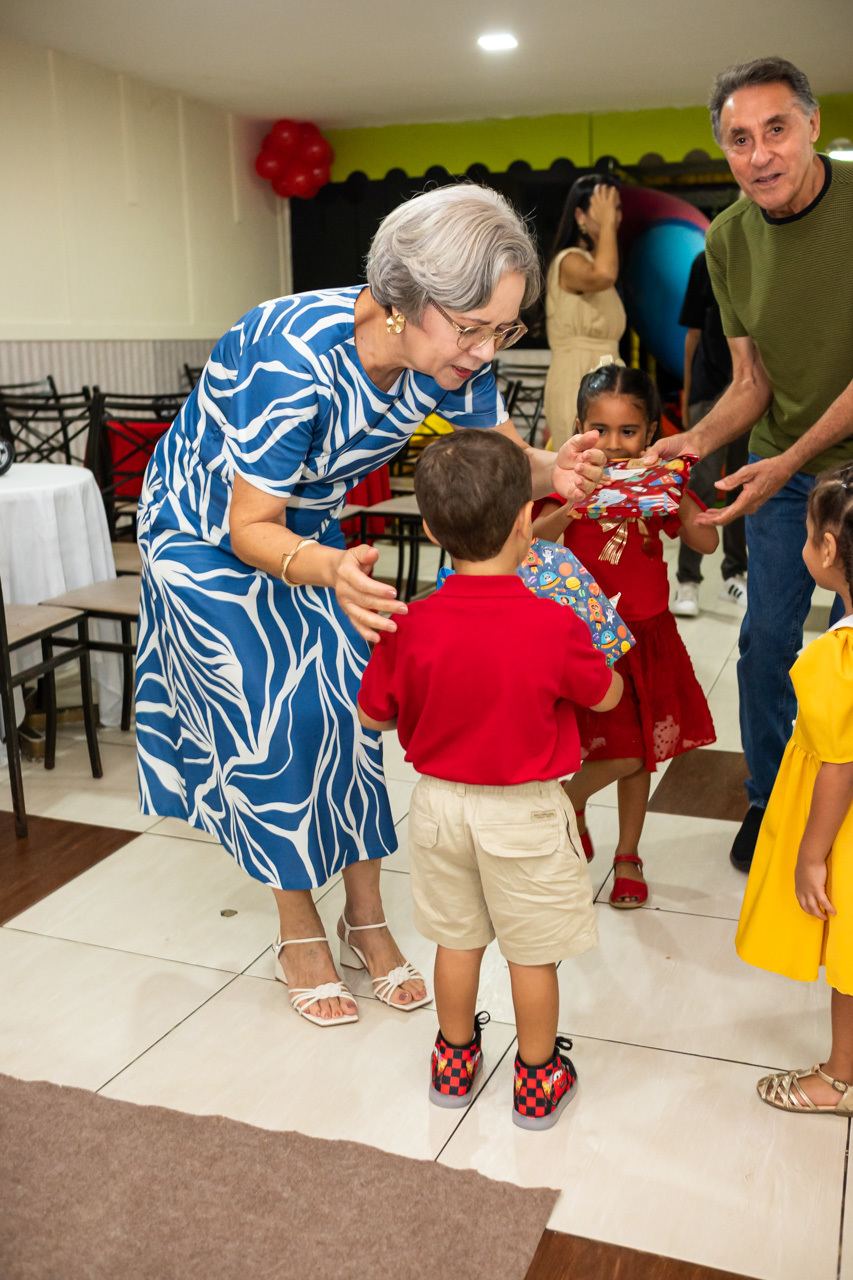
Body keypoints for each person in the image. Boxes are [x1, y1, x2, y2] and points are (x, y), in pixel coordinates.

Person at [135, 183, 605, 1029]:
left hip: (310, 530)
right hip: (207, 535)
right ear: (401, 304)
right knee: (279, 720)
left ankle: (366, 918)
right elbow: (248, 526)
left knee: (355, 712)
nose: (486, 349)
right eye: (472, 328)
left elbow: (495, 459)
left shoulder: (453, 358)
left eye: (504, 328)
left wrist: (553, 470)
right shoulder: (292, 352)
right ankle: (296, 925)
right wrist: (328, 572)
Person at [358, 430, 621, 1130]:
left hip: (437, 808)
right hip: (526, 814)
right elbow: (606, 697)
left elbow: (373, 714)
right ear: (524, 520)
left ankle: (452, 1059)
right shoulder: (551, 622)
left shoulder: (405, 624)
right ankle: (535, 1081)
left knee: (457, 940)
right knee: (532, 956)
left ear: (432, 529)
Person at [644, 57, 853, 872]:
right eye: (738, 138)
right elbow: (751, 383)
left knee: (848, 644)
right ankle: (769, 798)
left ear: (809, 127)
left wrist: (790, 460)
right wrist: (690, 442)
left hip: (837, 465)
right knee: (766, 642)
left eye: (774, 130)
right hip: (780, 466)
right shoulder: (726, 238)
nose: (759, 153)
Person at [533, 365, 717, 907]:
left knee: (639, 755)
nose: (614, 446)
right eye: (600, 430)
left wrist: (674, 492)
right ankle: (574, 802)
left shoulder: (654, 490)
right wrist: (572, 503)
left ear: (650, 432)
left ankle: (628, 854)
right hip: (584, 641)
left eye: (628, 432)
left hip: (645, 638)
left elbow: (705, 543)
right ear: (578, 428)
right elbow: (532, 540)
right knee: (609, 748)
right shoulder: (567, 482)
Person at [735, 465, 853, 1113]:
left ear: (826, 552)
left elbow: (838, 767)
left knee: (850, 960)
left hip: (847, 832)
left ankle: (839, 1078)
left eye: (807, 534)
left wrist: (812, 854)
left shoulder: (834, 661)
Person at [670, 250, 748, 618]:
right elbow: (693, 334)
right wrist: (688, 391)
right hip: (709, 386)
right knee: (699, 485)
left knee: (744, 484)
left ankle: (737, 574)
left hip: (754, 390)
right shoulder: (708, 259)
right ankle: (688, 580)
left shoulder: (772, 254)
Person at [543, 175, 627, 453]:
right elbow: (602, 274)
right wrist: (606, 225)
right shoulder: (569, 260)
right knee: (582, 468)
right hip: (577, 377)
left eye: (615, 208)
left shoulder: (595, 260)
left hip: (608, 376)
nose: (614, 217)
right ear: (579, 215)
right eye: (603, 208)